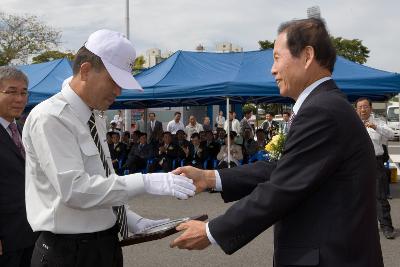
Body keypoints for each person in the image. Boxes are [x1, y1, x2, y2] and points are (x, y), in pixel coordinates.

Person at [171, 18, 383, 267]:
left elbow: (282, 186)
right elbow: (284, 169)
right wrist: (210, 178)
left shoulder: (322, 111)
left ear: (306, 56)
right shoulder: (324, 105)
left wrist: (211, 231)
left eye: (277, 57)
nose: (272, 69)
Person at [22, 29, 195, 267]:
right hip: (68, 252)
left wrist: (131, 219)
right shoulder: (51, 117)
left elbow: (101, 179)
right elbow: (75, 190)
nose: (118, 91)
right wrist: (144, 182)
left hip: (104, 246)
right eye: (113, 81)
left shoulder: (94, 117)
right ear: (85, 71)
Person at [0, 67, 38, 267]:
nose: (19, 98)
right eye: (12, 91)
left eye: (24, 92)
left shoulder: (23, 131)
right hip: (5, 240)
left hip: (31, 234)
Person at [355, 97, 396, 239]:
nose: (362, 109)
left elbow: (392, 134)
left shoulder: (378, 121)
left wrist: (376, 127)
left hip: (375, 162)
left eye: (365, 106)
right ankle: (361, 228)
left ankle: (387, 227)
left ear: (370, 108)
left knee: (380, 196)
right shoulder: (352, 123)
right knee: (357, 196)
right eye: (360, 107)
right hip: (357, 163)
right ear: (356, 109)